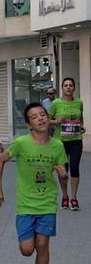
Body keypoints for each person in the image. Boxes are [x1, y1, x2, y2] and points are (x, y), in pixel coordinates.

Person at [0, 102, 68, 264]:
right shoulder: (21, 143)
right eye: (34, 117)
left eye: (42, 114)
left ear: (49, 118)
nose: (40, 118)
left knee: (42, 245)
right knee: (26, 249)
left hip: (47, 202)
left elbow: (63, 176)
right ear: (28, 125)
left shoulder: (58, 146)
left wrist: (64, 175)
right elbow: (0, 160)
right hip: (26, 204)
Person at [49, 77, 85, 210]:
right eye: (65, 85)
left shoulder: (79, 103)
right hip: (60, 142)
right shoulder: (56, 103)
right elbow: (47, 120)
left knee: (75, 167)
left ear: (74, 88)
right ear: (62, 88)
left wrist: (82, 126)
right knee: (63, 171)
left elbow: (80, 118)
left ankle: (74, 197)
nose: (68, 87)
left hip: (76, 140)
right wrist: (56, 121)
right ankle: (65, 196)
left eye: (70, 85)